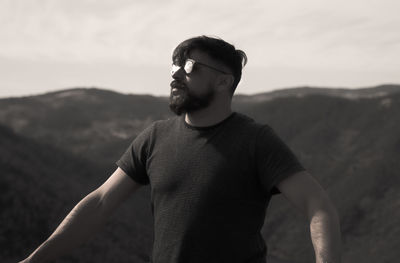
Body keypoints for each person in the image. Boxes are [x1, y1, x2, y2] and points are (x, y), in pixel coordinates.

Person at [20, 35, 341, 263]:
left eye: (189, 67)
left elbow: (318, 206)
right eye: (173, 67)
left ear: (223, 82)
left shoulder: (255, 140)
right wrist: (36, 259)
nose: (175, 75)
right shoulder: (154, 137)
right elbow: (100, 202)